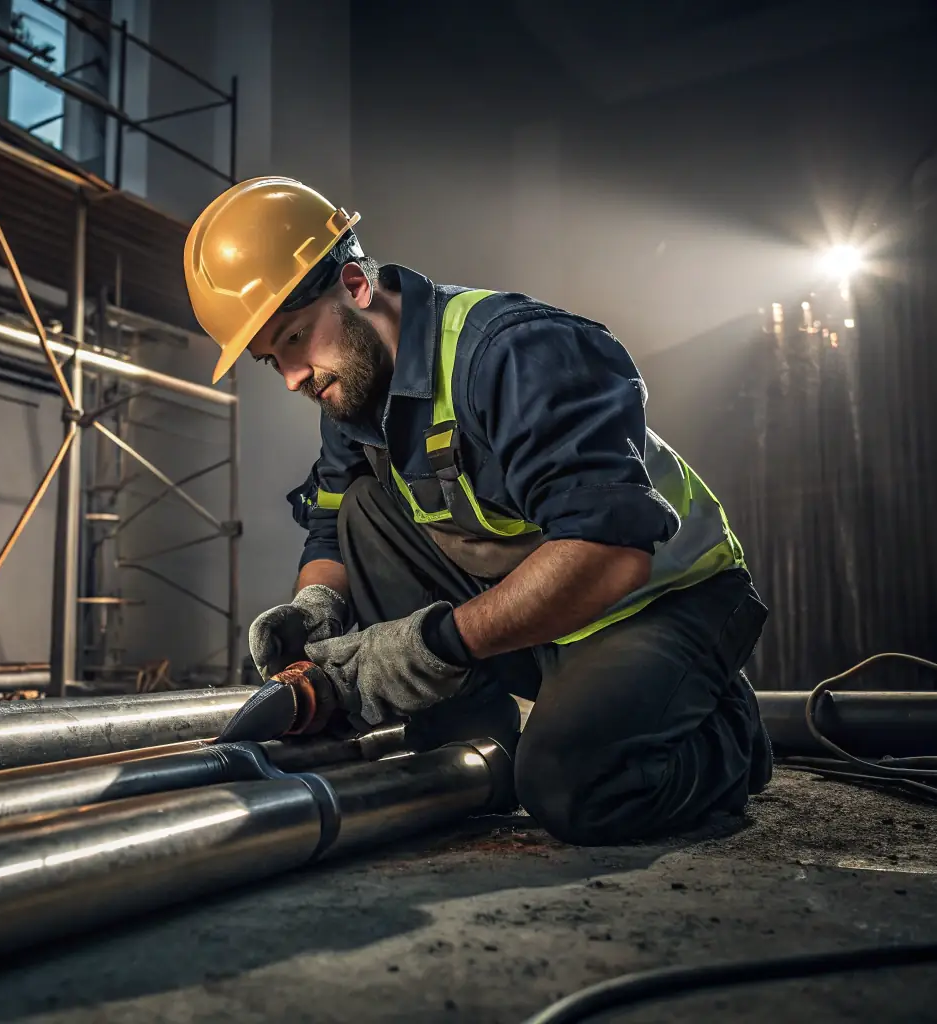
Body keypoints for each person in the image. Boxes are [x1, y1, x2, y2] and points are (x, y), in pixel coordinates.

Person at [183, 177, 772, 846]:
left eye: (292, 338)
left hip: (660, 600)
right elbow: (329, 522)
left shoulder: (517, 353)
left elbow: (607, 553)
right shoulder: (349, 395)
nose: (291, 376)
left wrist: (423, 647)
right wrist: (315, 604)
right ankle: (470, 736)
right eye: (270, 360)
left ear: (353, 285)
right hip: (539, 612)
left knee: (572, 788)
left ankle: (729, 738)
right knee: (361, 506)